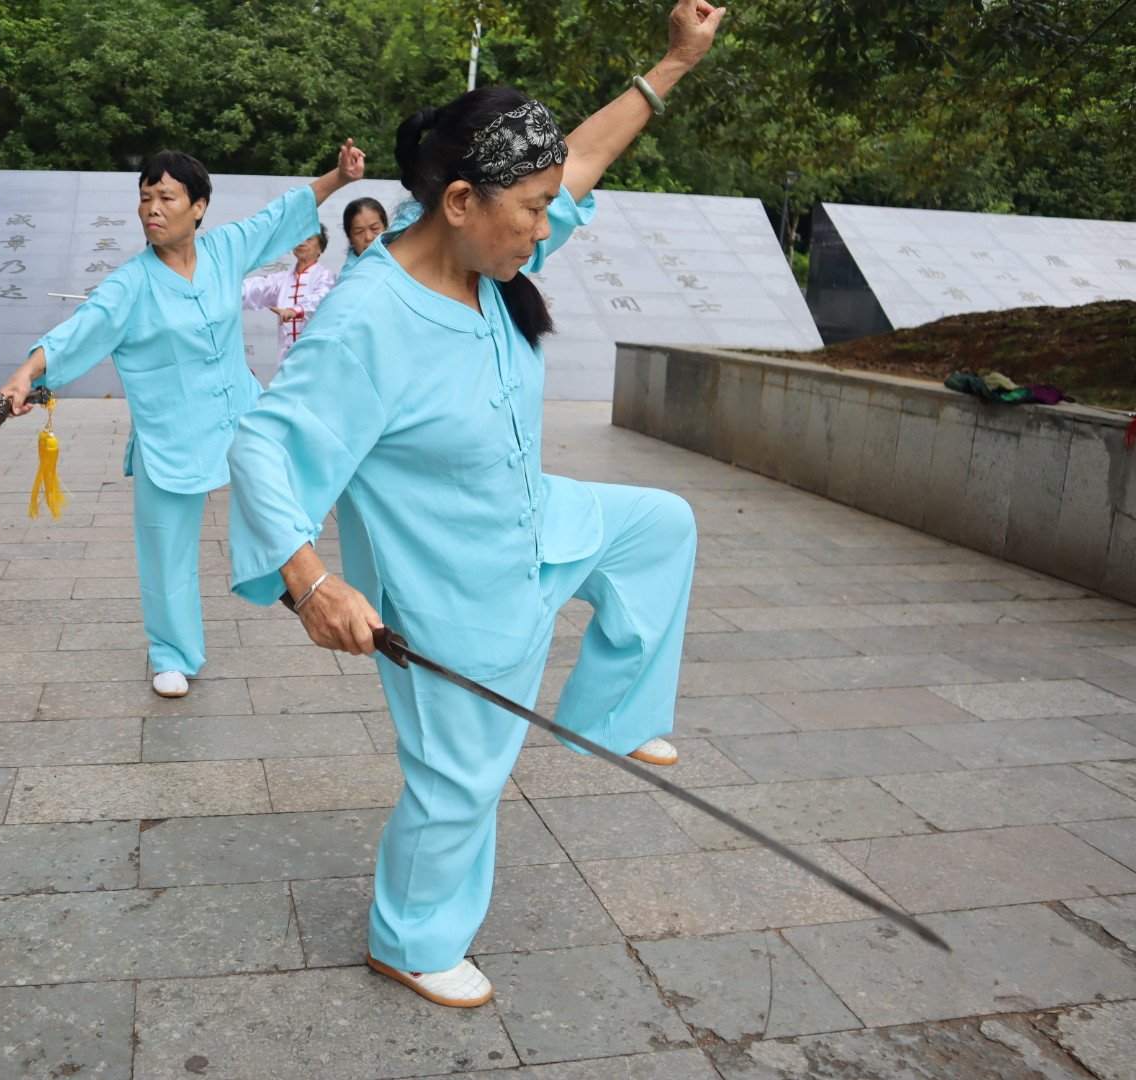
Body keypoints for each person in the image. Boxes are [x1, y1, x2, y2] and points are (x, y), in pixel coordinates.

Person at [226, 0, 724, 1008]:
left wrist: (675, 62)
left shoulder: (496, 259)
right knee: (460, 783)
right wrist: (312, 581)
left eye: (545, 207)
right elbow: (264, 447)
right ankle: (407, 941)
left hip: (536, 524)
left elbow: (578, 159)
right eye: (530, 209)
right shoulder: (369, 319)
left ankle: (609, 716)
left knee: (660, 527)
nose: (547, 225)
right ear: (459, 200)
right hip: (451, 587)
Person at [0, 141, 365, 698]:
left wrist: (338, 177)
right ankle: (170, 652)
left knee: (282, 492)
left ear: (198, 206)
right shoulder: (130, 283)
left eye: (166, 196)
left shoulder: (225, 250)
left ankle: (283, 577)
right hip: (170, 433)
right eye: (145, 198)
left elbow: (279, 215)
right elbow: (82, 328)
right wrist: (25, 375)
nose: (152, 208)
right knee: (165, 547)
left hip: (239, 414)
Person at [241, 225, 337, 364]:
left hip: (315, 355)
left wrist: (294, 311)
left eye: (309, 238)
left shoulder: (325, 275)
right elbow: (253, 288)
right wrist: (223, 290)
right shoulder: (281, 280)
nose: (302, 242)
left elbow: (320, 299)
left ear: (320, 248)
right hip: (286, 358)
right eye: (298, 237)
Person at [341, 197, 388, 266]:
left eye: (374, 228)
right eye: (359, 231)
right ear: (349, 236)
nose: (368, 237)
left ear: (386, 227)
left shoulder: (401, 257)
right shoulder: (351, 275)